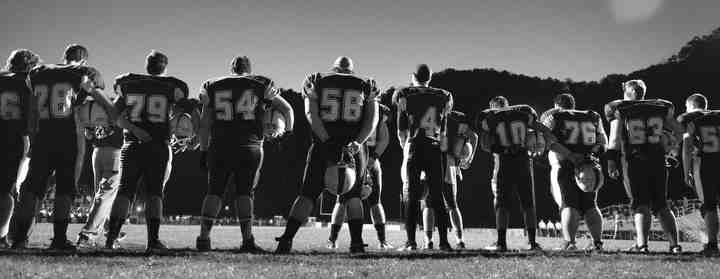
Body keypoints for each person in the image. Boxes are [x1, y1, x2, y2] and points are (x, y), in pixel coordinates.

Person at [11, 44, 114, 250]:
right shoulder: (82, 72)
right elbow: (99, 86)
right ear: (83, 60)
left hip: (42, 136)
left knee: (32, 188)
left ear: (64, 56)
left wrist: (32, 135)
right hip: (68, 136)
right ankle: (59, 240)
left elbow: (32, 107)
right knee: (65, 189)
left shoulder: (38, 72)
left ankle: (20, 239)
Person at [275, 56, 378, 254]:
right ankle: (356, 243)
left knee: (307, 195)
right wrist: (358, 142)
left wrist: (327, 140)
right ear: (352, 70)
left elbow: (310, 114)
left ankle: (286, 240)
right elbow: (372, 120)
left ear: (334, 68)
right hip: (353, 147)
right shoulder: (366, 84)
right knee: (354, 196)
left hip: (324, 145)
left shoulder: (317, 80)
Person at [196, 55, 294, 252]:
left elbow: (205, 122)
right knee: (245, 193)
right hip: (249, 146)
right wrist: (287, 133)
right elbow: (287, 109)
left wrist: (204, 149)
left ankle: (204, 239)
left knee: (214, 191)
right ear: (249, 69)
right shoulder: (261, 84)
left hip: (220, 146)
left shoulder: (212, 85)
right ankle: (247, 240)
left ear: (231, 68)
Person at [104, 50, 189, 253]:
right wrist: (185, 134)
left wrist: (134, 129)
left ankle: (111, 239)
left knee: (125, 190)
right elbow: (188, 110)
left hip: (132, 143)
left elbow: (112, 115)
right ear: (164, 67)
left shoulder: (129, 84)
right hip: (158, 145)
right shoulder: (172, 87)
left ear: (146, 65)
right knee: (155, 193)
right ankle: (153, 241)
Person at [476, 96, 577, 251]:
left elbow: (484, 144)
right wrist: (545, 141)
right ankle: (532, 242)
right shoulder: (523, 113)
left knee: (502, 204)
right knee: (528, 203)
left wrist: (495, 146)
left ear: (493, 107)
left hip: (505, 160)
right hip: (523, 160)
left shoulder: (491, 117)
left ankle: (501, 243)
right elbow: (542, 129)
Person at [605, 79, 683, 253]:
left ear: (630, 92)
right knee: (662, 204)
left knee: (640, 204)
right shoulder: (661, 106)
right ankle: (675, 245)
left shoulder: (620, 108)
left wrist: (611, 160)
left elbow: (615, 139)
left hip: (634, 161)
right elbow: (679, 131)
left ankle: (642, 245)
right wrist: (671, 146)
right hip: (657, 160)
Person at [393, 64, 454, 251]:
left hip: (415, 145)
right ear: (430, 78)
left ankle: (411, 242)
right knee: (438, 195)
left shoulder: (405, 93)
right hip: (435, 147)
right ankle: (444, 242)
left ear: (413, 76)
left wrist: (406, 146)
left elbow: (401, 130)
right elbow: (443, 128)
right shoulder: (444, 95)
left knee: (411, 194)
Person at [541, 93, 606, 251]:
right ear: (573, 105)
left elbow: (548, 141)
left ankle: (570, 243)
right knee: (590, 204)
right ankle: (597, 243)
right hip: (589, 165)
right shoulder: (592, 116)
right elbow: (603, 142)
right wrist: (590, 155)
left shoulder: (554, 116)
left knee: (568, 204)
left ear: (557, 105)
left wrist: (570, 155)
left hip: (565, 164)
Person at [327, 103, 392, 250]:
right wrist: (374, 156)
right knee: (373, 201)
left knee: (343, 200)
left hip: (354, 158)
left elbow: (383, 137)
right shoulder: (379, 111)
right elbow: (384, 138)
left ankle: (333, 239)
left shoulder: (352, 108)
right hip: (368, 159)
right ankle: (382, 241)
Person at [75, 91, 126, 247]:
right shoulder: (118, 105)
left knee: (102, 194)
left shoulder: (95, 106)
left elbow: (89, 135)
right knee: (105, 194)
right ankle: (87, 233)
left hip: (97, 153)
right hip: (114, 152)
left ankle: (110, 229)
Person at [421, 110, 478, 249]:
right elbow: (473, 136)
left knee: (432, 203)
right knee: (449, 203)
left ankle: (430, 240)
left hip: (439, 161)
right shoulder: (458, 118)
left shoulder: (432, 113)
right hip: (448, 162)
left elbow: (473, 136)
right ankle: (459, 239)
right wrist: (468, 159)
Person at [0, 49, 39, 248]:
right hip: (16, 137)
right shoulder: (28, 82)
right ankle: (4, 235)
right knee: (9, 189)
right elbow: (32, 114)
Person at [678, 93, 718, 254]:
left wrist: (686, 170)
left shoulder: (690, 118)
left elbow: (687, 147)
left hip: (706, 164)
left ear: (691, 106)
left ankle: (713, 244)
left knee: (709, 205)